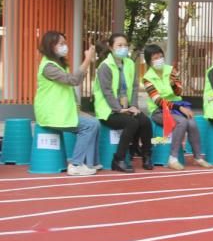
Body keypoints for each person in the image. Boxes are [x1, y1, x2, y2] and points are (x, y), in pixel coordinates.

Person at [34, 31, 101, 176]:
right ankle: (76, 164)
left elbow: (68, 93)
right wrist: (87, 59)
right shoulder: (48, 67)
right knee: (90, 125)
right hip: (51, 114)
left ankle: (90, 162)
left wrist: (78, 110)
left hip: (62, 112)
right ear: (51, 46)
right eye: (61, 44)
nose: (65, 47)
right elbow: (73, 81)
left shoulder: (59, 65)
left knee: (94, 122)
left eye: (65, 43)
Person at [142, 44, 212, 170]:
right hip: (159, 111)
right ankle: (172, 158)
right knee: (181, 122)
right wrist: (179, 108)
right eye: (155, 57)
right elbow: (158, 100)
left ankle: (198, 157)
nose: (159, 59)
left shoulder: (171, 70)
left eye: (160, 56)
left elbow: (179, 92)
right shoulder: (147, 78)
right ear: (149, 61)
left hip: (176, 106)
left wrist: (174, 84)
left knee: (192, 123)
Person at [93, 33, 154, 172]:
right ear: (110, 47)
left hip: (126, 107)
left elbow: (133, 87)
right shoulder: (105, 66)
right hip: (108, 110)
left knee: (145, 121)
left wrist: (133, 106)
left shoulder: (130, 63)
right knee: (131, 122)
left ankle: (146, 155)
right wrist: (118, 109)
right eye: (119, 45)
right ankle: (118, 159)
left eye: (125, 45)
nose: (123, 48)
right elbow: (106, 92)